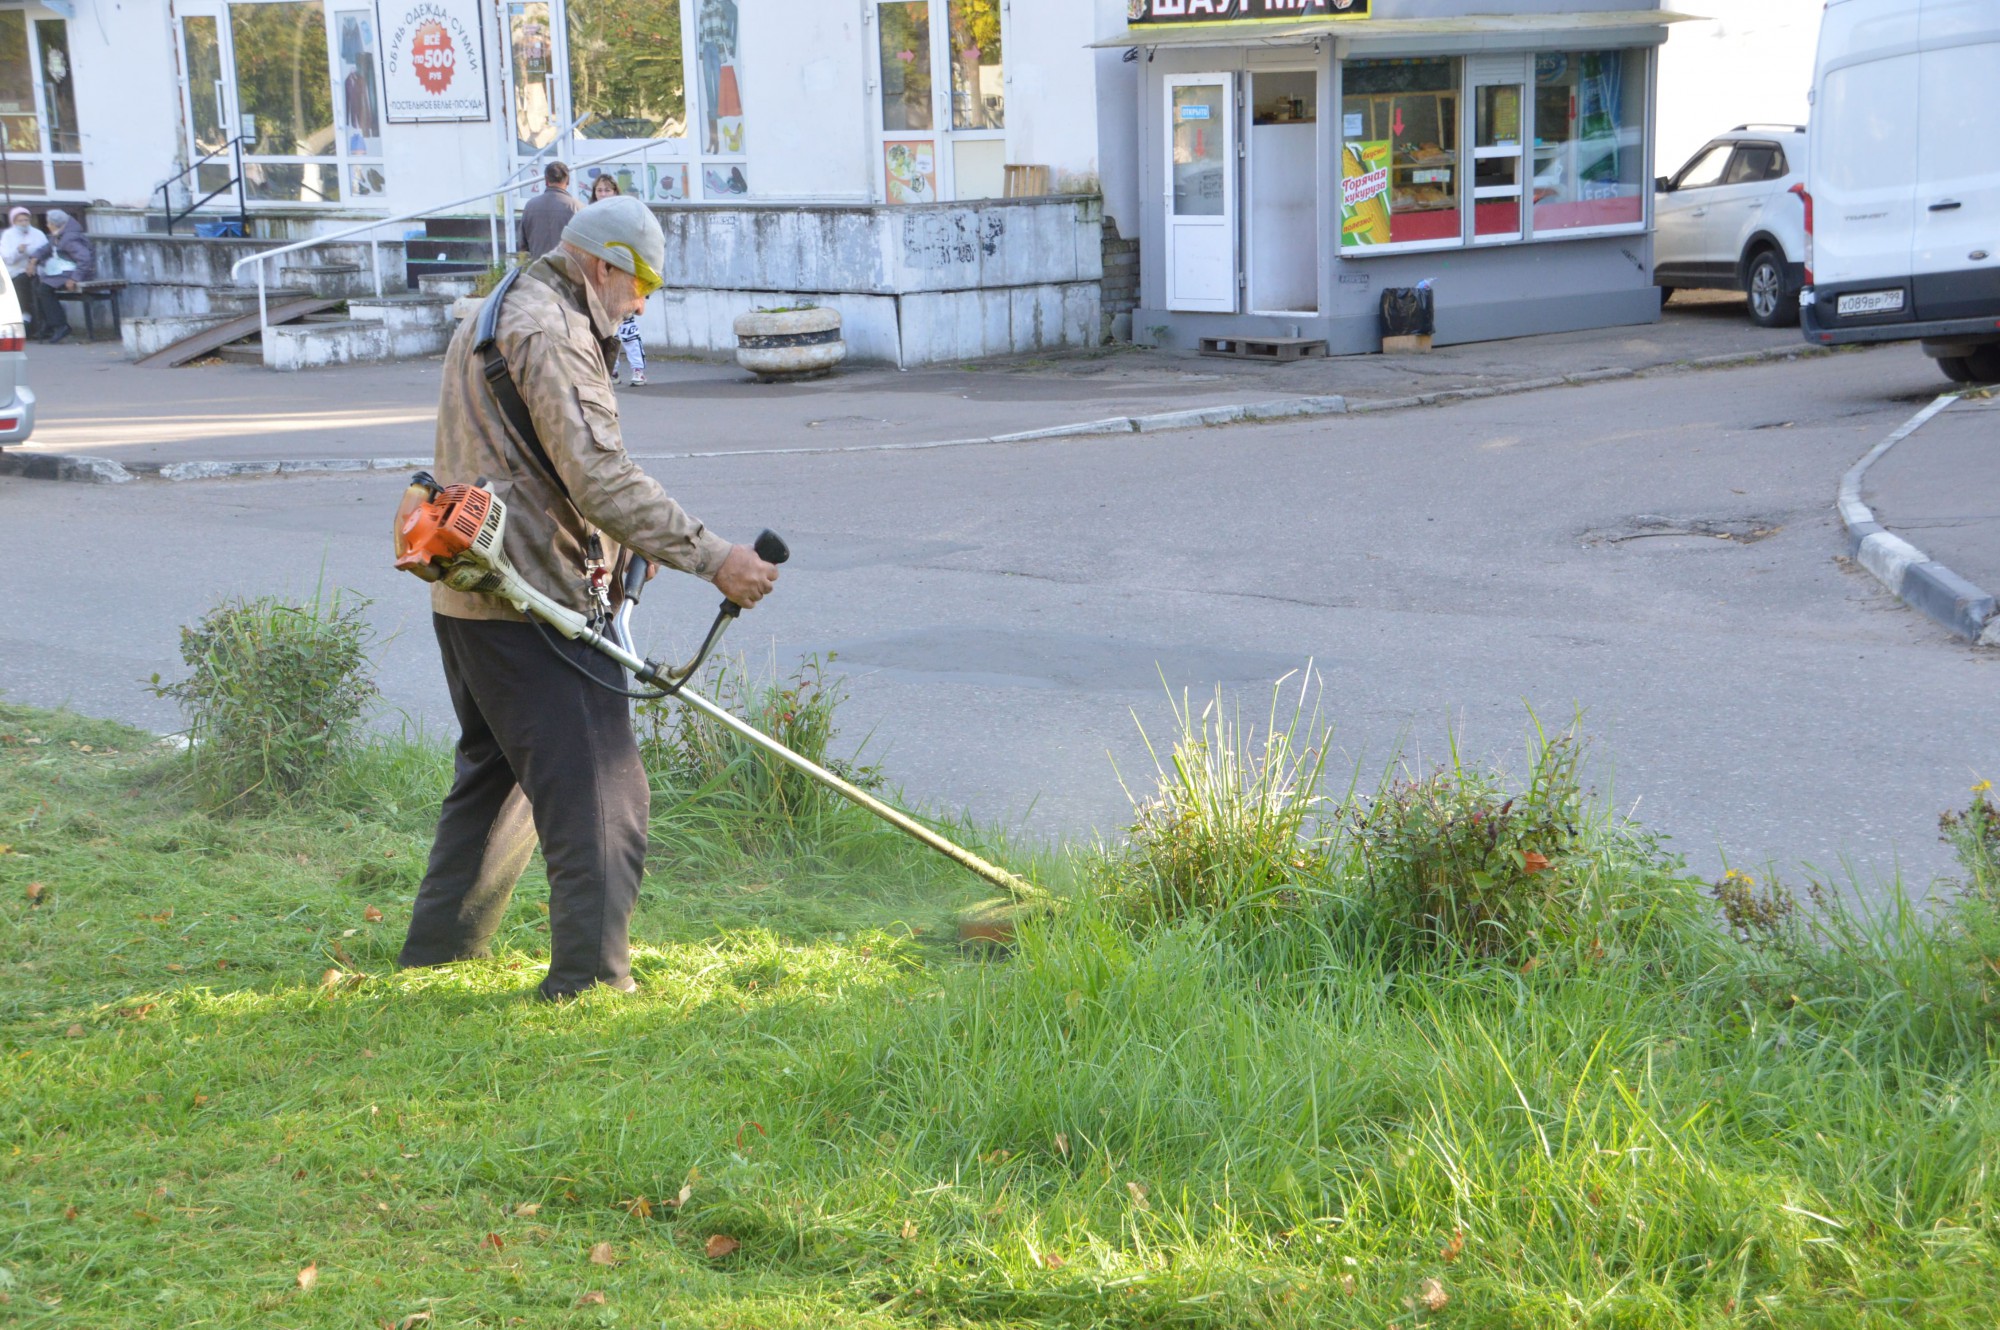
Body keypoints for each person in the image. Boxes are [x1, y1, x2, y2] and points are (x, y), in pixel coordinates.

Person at [399, 195, 780, 1000]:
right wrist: (713, 557)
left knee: (498, 780)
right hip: (533, 602)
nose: (641, 302)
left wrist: (626, 537)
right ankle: (591, 982)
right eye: (640, 283)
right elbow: (598, 476)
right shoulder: (553, 330)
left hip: (469, 595)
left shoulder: (491, 309)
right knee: (607, 795)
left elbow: (528, 460)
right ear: (602, 265)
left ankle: (438, 957)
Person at [589, 174, 647, 386]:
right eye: (599, 190)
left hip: (622, 275)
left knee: (628, 326)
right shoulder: (589, 217)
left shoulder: (625, 215)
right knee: (604, 328)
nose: (603, 194)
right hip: (599, 277)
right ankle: (611, 369)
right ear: (594, 194)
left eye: (607, 190)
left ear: (615, 192)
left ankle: (638, 369)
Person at [37, 209, 94, 344]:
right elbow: (46, 248)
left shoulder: (69, 238)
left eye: (49, 223)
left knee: (44, 289)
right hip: (64, 272)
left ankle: (60, 325)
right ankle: (50, 323)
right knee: (38, 285)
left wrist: (75, 278)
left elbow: (85, 259)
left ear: (55, 224)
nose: (47, 225)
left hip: (74, 273)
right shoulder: (59, 236)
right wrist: (34, 258)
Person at [0, 207, 52, 340]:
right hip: (16, 270)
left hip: (37, 270)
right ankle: (25, 316)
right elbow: (7, 258)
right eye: (20, 220)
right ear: (14, 222)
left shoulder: (38, 233)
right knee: (20, 283)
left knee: (39, 288)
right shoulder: (8, 235)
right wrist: (19, 250)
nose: (24, 223)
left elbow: (46, 252)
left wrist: (33, 262)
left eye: (26, 219)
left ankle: (40, 322)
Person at [517, 160, 579, 260]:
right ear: (568, 180)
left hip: (539, 269)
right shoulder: (577, 207)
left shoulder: (530, 206)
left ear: (546, 180)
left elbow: (523, 245)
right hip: (568, 270)